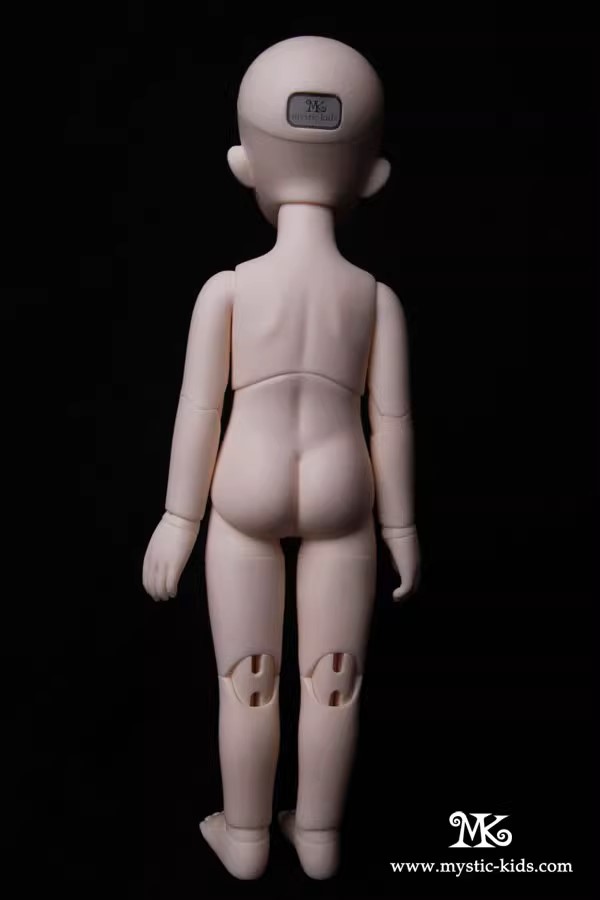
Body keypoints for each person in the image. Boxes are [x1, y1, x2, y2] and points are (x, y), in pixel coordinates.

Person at [143, 35, 420, 880]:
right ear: (372, 175)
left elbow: (199, 411)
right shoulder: (375, 299)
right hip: (344, 485)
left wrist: (178, 518)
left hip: (245, 486)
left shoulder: (227, 290)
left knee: (248, 677)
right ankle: (322, 838)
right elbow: (392, 422)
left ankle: (248, 837)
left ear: (243, 163)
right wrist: (402, 529)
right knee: (336, 677)